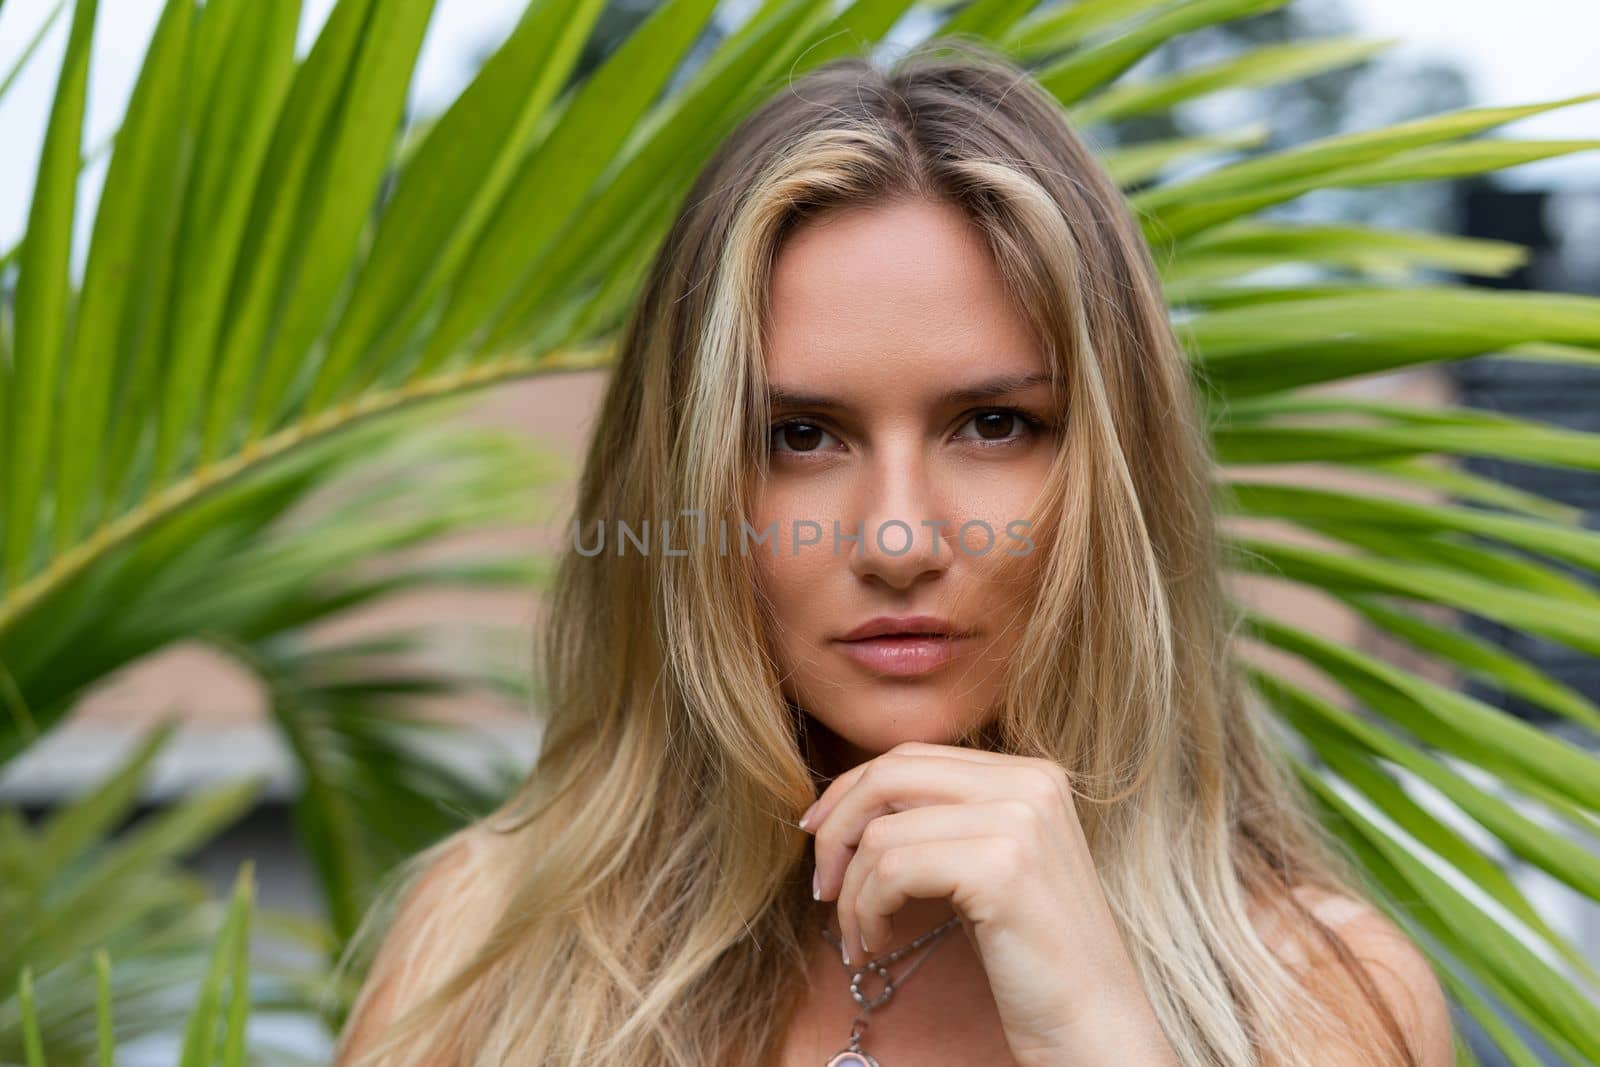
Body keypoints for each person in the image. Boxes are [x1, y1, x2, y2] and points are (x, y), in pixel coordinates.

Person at [331, 37, 1454, 1067]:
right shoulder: (484, 960)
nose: (900, 539)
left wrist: (1101, 1033)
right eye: (799, 436)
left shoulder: (1314, 1000)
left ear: (1120, 473)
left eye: (995, 423)